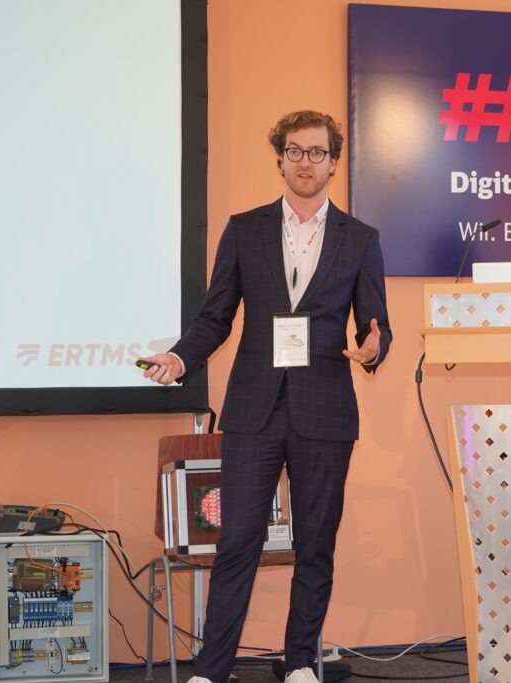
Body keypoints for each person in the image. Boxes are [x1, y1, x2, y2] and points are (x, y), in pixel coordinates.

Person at [140, 110, 392, 683]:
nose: (307, 162)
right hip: (254, 409)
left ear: (334, 162)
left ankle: (302, 661)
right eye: (296, 151)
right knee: (237, 544)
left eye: (318, 153)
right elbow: (216, 316)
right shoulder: (245, 229)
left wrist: (374, 347)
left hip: (326, 409)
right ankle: (212, 670)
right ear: (279, 158)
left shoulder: (361, 239)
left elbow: (375, 326)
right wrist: (180, 357)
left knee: (316, 545)